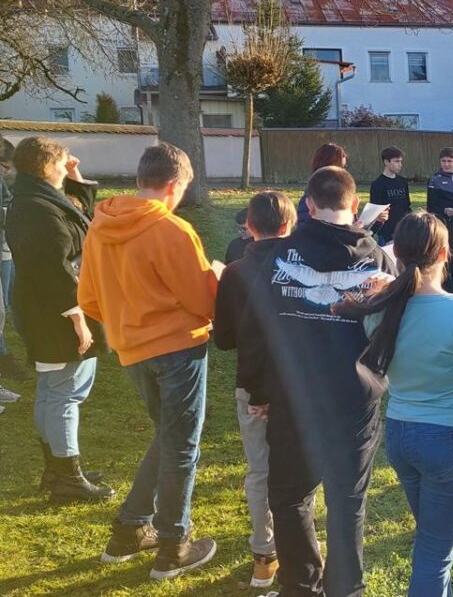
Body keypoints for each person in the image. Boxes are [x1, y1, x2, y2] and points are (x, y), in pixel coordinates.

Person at [242, 166, 396, 597]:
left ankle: (301, 584)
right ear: (354, 204)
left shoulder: (276, 257)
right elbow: (392, 330)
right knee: (346, 502)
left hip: (296, 394)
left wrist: (256, 389)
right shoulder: (379, 260)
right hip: (354, 397)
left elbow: (254, 327)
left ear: (309, 205)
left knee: (289, 496)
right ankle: (343, 588)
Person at [339, 211, 453, 596]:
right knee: (435, 557)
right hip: (452, 440)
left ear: (396, 253)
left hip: (401, 434)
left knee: (433, 545)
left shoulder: (380, 306)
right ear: (446, 253)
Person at [79, 143, 219, 579]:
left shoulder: (99, 226)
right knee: (181, 446)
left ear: (141, 179)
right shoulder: (173, 230)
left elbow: (89, 298)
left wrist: (129, 320)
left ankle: (129, 529)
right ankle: (174, 545)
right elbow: (203, 301)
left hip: (131, 348)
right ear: (174, 186)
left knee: (168, 438)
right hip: (178, 348)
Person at [6, 137, 113, 502]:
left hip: (45, 310)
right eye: (64, 161)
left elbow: (83, 215)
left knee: (54, 391)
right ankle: (68, 476)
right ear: (47, 166)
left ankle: (58, 468)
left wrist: (74, 173)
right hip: (55, 312)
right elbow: (52, 268)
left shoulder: (37, 198)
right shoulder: (37, 208)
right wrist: (77, 317)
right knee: (66, 393)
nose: (70, 164)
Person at [212, 191, 296, 590]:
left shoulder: (234, 271)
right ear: (289, 226)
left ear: (249, 226)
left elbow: (224, 338)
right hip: (297, 387)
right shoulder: (301, 267)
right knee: (296, 472)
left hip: (255, 386)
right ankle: (291, 547)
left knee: (261, 469)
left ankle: (265, 553)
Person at [0, 136, 27, 383]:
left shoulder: (11, 181)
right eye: (6, 167)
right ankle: (5, 359)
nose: (8, 174)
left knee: (9, 304)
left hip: (7, 248)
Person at [427, 147, 453, 295]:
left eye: (449, 161)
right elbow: (431, 205)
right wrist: (444, 210)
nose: (446, 164)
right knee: (445, 261)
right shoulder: (434, 180)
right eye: (443, 161)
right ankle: (445, 290)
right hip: (444, 227)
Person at [369, 146, 412, 246]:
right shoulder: (378, 184)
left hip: (403, 232)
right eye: (396, 161)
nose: (400, 165)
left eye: (400, 161)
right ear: (386, 162)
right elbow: (376, 212)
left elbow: (406, 206)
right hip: (386, 234)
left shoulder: (402, 181)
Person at [296, 143, 348, 223]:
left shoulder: (343, 195)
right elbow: (306, 229)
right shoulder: (310, 198)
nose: (343, 172)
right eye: (340, 167)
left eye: (343, 168)